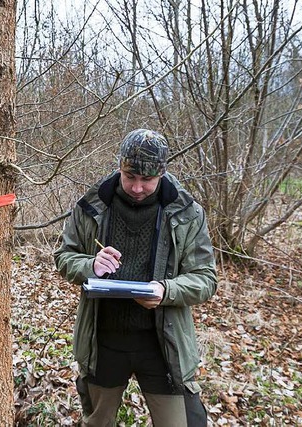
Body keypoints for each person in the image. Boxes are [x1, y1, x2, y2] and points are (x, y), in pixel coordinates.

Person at [53, 129, 217, 426]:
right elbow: (64, 257)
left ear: (162, 174)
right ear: (119, 167)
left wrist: (165, 291)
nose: (138, 187)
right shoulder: (93, 205)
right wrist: (91, 265)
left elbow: (205, 278)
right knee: (97, 422)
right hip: (103, 341)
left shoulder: (187, 213)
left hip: (163, 343)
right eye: (130, 177)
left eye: (148, 180)